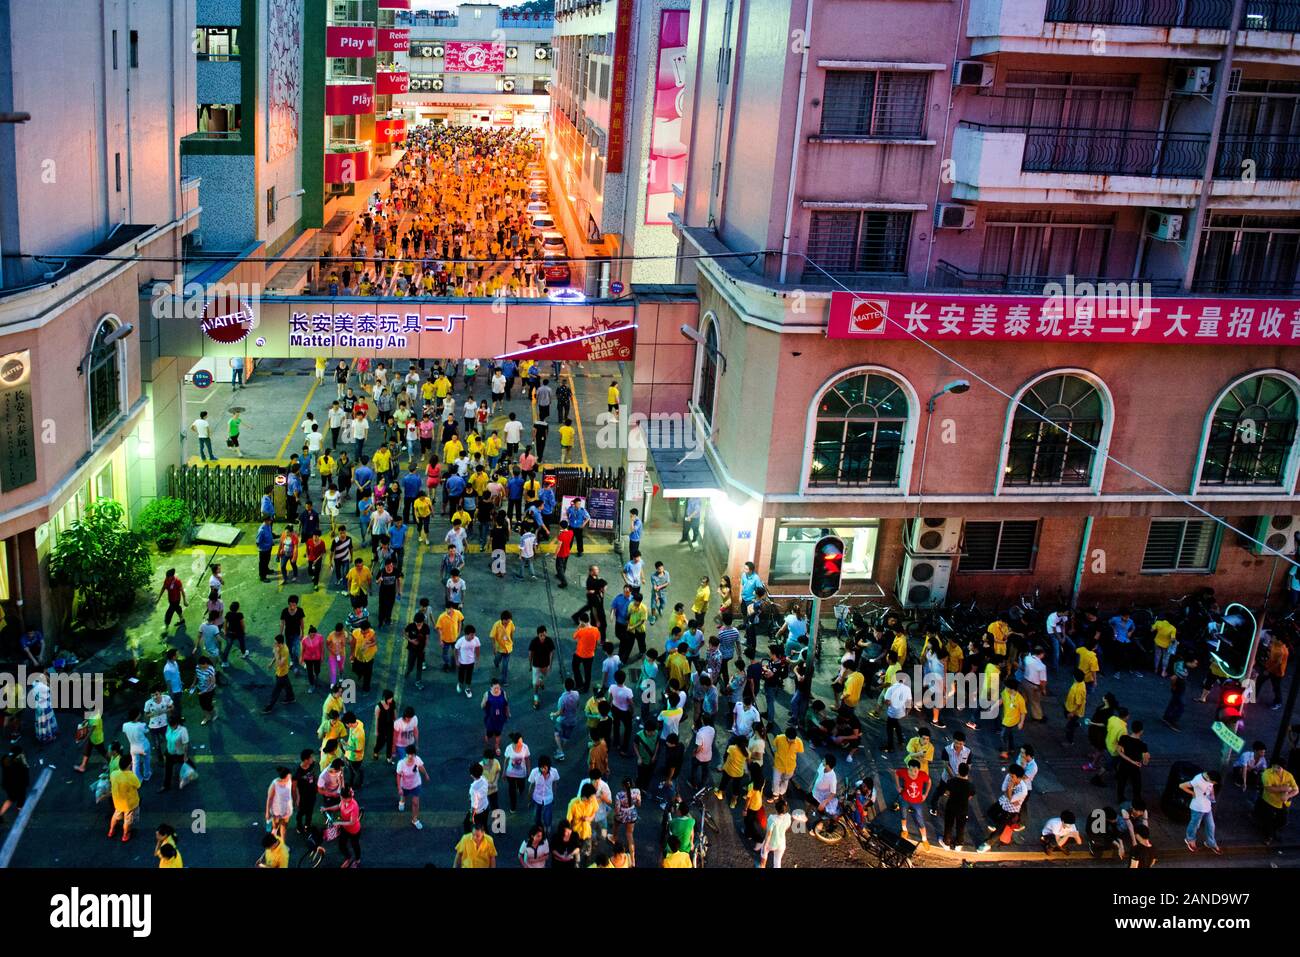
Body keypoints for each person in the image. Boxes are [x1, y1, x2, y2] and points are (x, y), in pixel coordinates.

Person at [1181, 769, 1222, 854]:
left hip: (1207, 807)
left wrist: (1212, 796)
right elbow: (1182, 785)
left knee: (1211, 825)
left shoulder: (1209, 779)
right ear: (1209, 778)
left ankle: (1210, 843)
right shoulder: (1197, 780)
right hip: (1197, 808)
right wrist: (1192, 793)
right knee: (1195, 825)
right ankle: (1190, 839)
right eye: (1213, 782)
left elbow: (1211, 786)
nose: (1213, 784)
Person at [107, 754, 141, 843]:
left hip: (117, 802)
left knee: (115, 816)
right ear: (129, 765)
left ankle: (111, 830)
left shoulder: (114, 774)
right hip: (129, 804)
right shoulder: (131, 776)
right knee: (127, 821)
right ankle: (125, 835)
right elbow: (138, 785)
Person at [396, 744, 430, 830]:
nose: (410, 756)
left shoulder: (417, 760)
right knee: (403, 795)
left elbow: (421, 767)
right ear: (406, 754)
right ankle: (402, 800)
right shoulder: (401, 763)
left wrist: (426, 774)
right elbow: (398, 776)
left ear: (414, 754)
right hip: (405, 785)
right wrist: (399, 788)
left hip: (415, 784)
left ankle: (415, 819)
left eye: (412, 754)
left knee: (415, 802)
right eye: (408, 754)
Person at [456, 624, 481, 697]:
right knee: (461, 675)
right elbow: (456, 650)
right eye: (471, 635)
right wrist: (457, 661)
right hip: (462, 662)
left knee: (469, 676)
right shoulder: (460, 641)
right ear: (466, 634)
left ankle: (467, 688)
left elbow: (477, 649)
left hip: (471, 662)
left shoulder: (476, 639)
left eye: (474, 634)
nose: (473, 636)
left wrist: (477, 660)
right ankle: (460, 684)